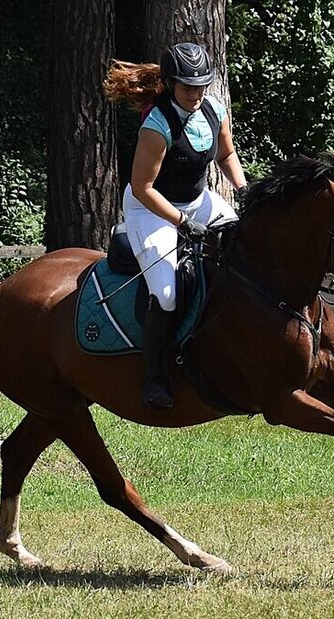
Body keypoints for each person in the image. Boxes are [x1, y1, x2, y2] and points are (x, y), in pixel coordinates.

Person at [104, 42, 248, 409]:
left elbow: (225, 153)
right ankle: (154, 376)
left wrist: (244, 190)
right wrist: (182, 222)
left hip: (198, 202)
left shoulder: (214, 110)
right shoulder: (156, 125)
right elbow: (143, 188)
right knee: (165, 294)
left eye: (202, 86)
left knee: (242, 250)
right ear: (170, 84)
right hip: (149, 210)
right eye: (188, 87)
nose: (196, 94)